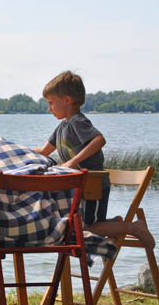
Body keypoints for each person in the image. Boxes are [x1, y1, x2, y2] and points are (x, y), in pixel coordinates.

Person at [34, 70, 154, 248]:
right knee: (78, 225)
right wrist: (16, 152)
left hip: (94, 186)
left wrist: (72, 162)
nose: (49, 108)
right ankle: (115, 224)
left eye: (51, 103)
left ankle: (134, 227)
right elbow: (44, 151)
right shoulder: (62, 127)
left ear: (67, 100)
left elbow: (99, 140)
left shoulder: (77, 121)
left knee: (84, 228)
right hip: (83, 186)